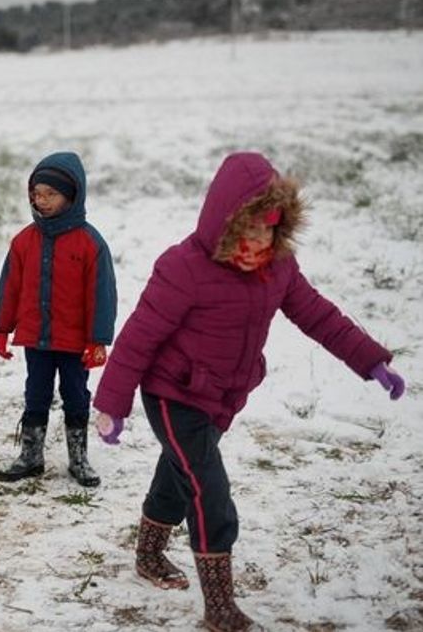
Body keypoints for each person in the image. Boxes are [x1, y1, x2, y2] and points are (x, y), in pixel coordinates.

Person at [92, 151, 406, 632]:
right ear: (225, 219)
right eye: (251, 227)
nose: (261, 238)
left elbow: (319, 316)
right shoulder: (184, 267)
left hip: (221, 396)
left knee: (180, 475)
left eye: (270, 228)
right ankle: (219, 608)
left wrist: (371, 361)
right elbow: (140, 336)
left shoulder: (278, 268)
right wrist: (112, 405)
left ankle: (149, 556)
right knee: (209, 491)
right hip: (172, 394)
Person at [0, 151, 117, 487]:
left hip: (76, 342)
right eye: (36, 194)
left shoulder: (91, 243)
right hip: (36, 339)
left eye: (50, 195)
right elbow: (10, 287)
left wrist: (97, 339)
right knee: (36, 393)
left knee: (76, 395)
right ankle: (31, 455)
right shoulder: (24, 242)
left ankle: (79, 457)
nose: (41, 201)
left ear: (73, 197)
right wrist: (3, 328)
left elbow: (101, 295)